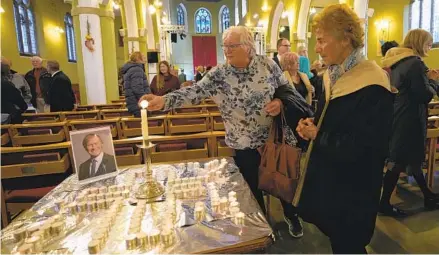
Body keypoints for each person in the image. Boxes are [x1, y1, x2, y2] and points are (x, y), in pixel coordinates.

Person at [139, 26, 312, 238]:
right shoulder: (219, 74)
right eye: (225, 46)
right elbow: (194, 92)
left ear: (248, 47)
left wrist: (280, 102)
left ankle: (291, 215)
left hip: (272, 140)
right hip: (242, 145)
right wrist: (164, 100)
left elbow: (287, 91)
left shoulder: (268, 65)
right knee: (250, 192)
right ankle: (261, 232)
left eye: (232, 46)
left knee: (282, 182)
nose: (227, 50)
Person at [296, 4, 394, 253]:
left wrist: (319, 135)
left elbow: (371, 148)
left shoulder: (373, 82)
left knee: (350, 244)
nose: (316, 48)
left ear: (345, 39)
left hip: (355, 188)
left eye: (321, 41)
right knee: (338, 242)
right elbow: (331, 121)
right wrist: (311, 125)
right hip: (332, 182)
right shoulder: (332, 75)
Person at [380, 29, 439, 216]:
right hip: (410, 118)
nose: (430, 47)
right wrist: (433, 81)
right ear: (419, 42)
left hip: (400, 114)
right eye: (428, 43)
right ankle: (383, 204)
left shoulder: (397, 61)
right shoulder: (415, 63)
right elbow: (424, 94)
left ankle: (428, 195)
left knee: (410, 159)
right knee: (398, 162)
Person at [121, 51, 151, 117]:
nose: (145, 58)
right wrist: (146, 100)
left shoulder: (132, 69)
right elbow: (137, 88)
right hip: (138, 103)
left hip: (134, 102)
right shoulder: (137, 69)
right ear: (138, 58)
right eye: (143, 57)